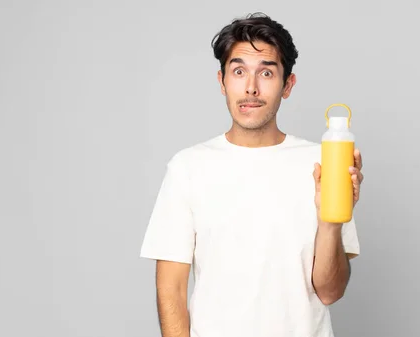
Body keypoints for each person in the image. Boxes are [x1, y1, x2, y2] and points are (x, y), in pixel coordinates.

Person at [140, 12, 365, 337]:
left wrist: (331, 224)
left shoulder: (324, 162)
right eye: (239, 71)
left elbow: (330, 291)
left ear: (287, 85)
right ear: (222, 82)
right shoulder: (187, 168)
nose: (251, 88)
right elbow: (171, 290)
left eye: (267, 73)